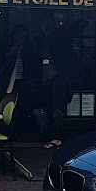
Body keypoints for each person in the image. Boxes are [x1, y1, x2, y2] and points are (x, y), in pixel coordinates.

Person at [35, 18, 82, 149]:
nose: (46, 28)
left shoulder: (60, 40)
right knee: (49, 108)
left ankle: (57, 137)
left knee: (57, 109)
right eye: (44, 25)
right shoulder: (42, 40)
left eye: (48, 25)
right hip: (46, 79)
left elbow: (72, 33)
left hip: (59, 79)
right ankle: (51, 136)